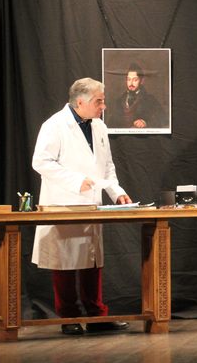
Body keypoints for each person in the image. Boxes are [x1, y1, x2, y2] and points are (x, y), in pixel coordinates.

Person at [32, 78, 133, 335]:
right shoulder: (54, 125)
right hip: (63, 202)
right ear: (80, 102)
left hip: (91, 204)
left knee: (92, 261)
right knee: (64, 262)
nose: (104, 106)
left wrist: (117, 192)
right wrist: (76, 182)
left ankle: (97, 316)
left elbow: (107, 166)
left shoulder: (99, 126)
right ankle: (69, 317)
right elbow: (41, 162)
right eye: (99, 101)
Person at [111, 63, 163, 128]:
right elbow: (111, 123)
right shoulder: (119, 101)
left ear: (142, 81)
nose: (131, 83)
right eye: (129, 79)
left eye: (135, 80)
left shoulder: (150, 99)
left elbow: (162, 118)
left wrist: (145, 122)